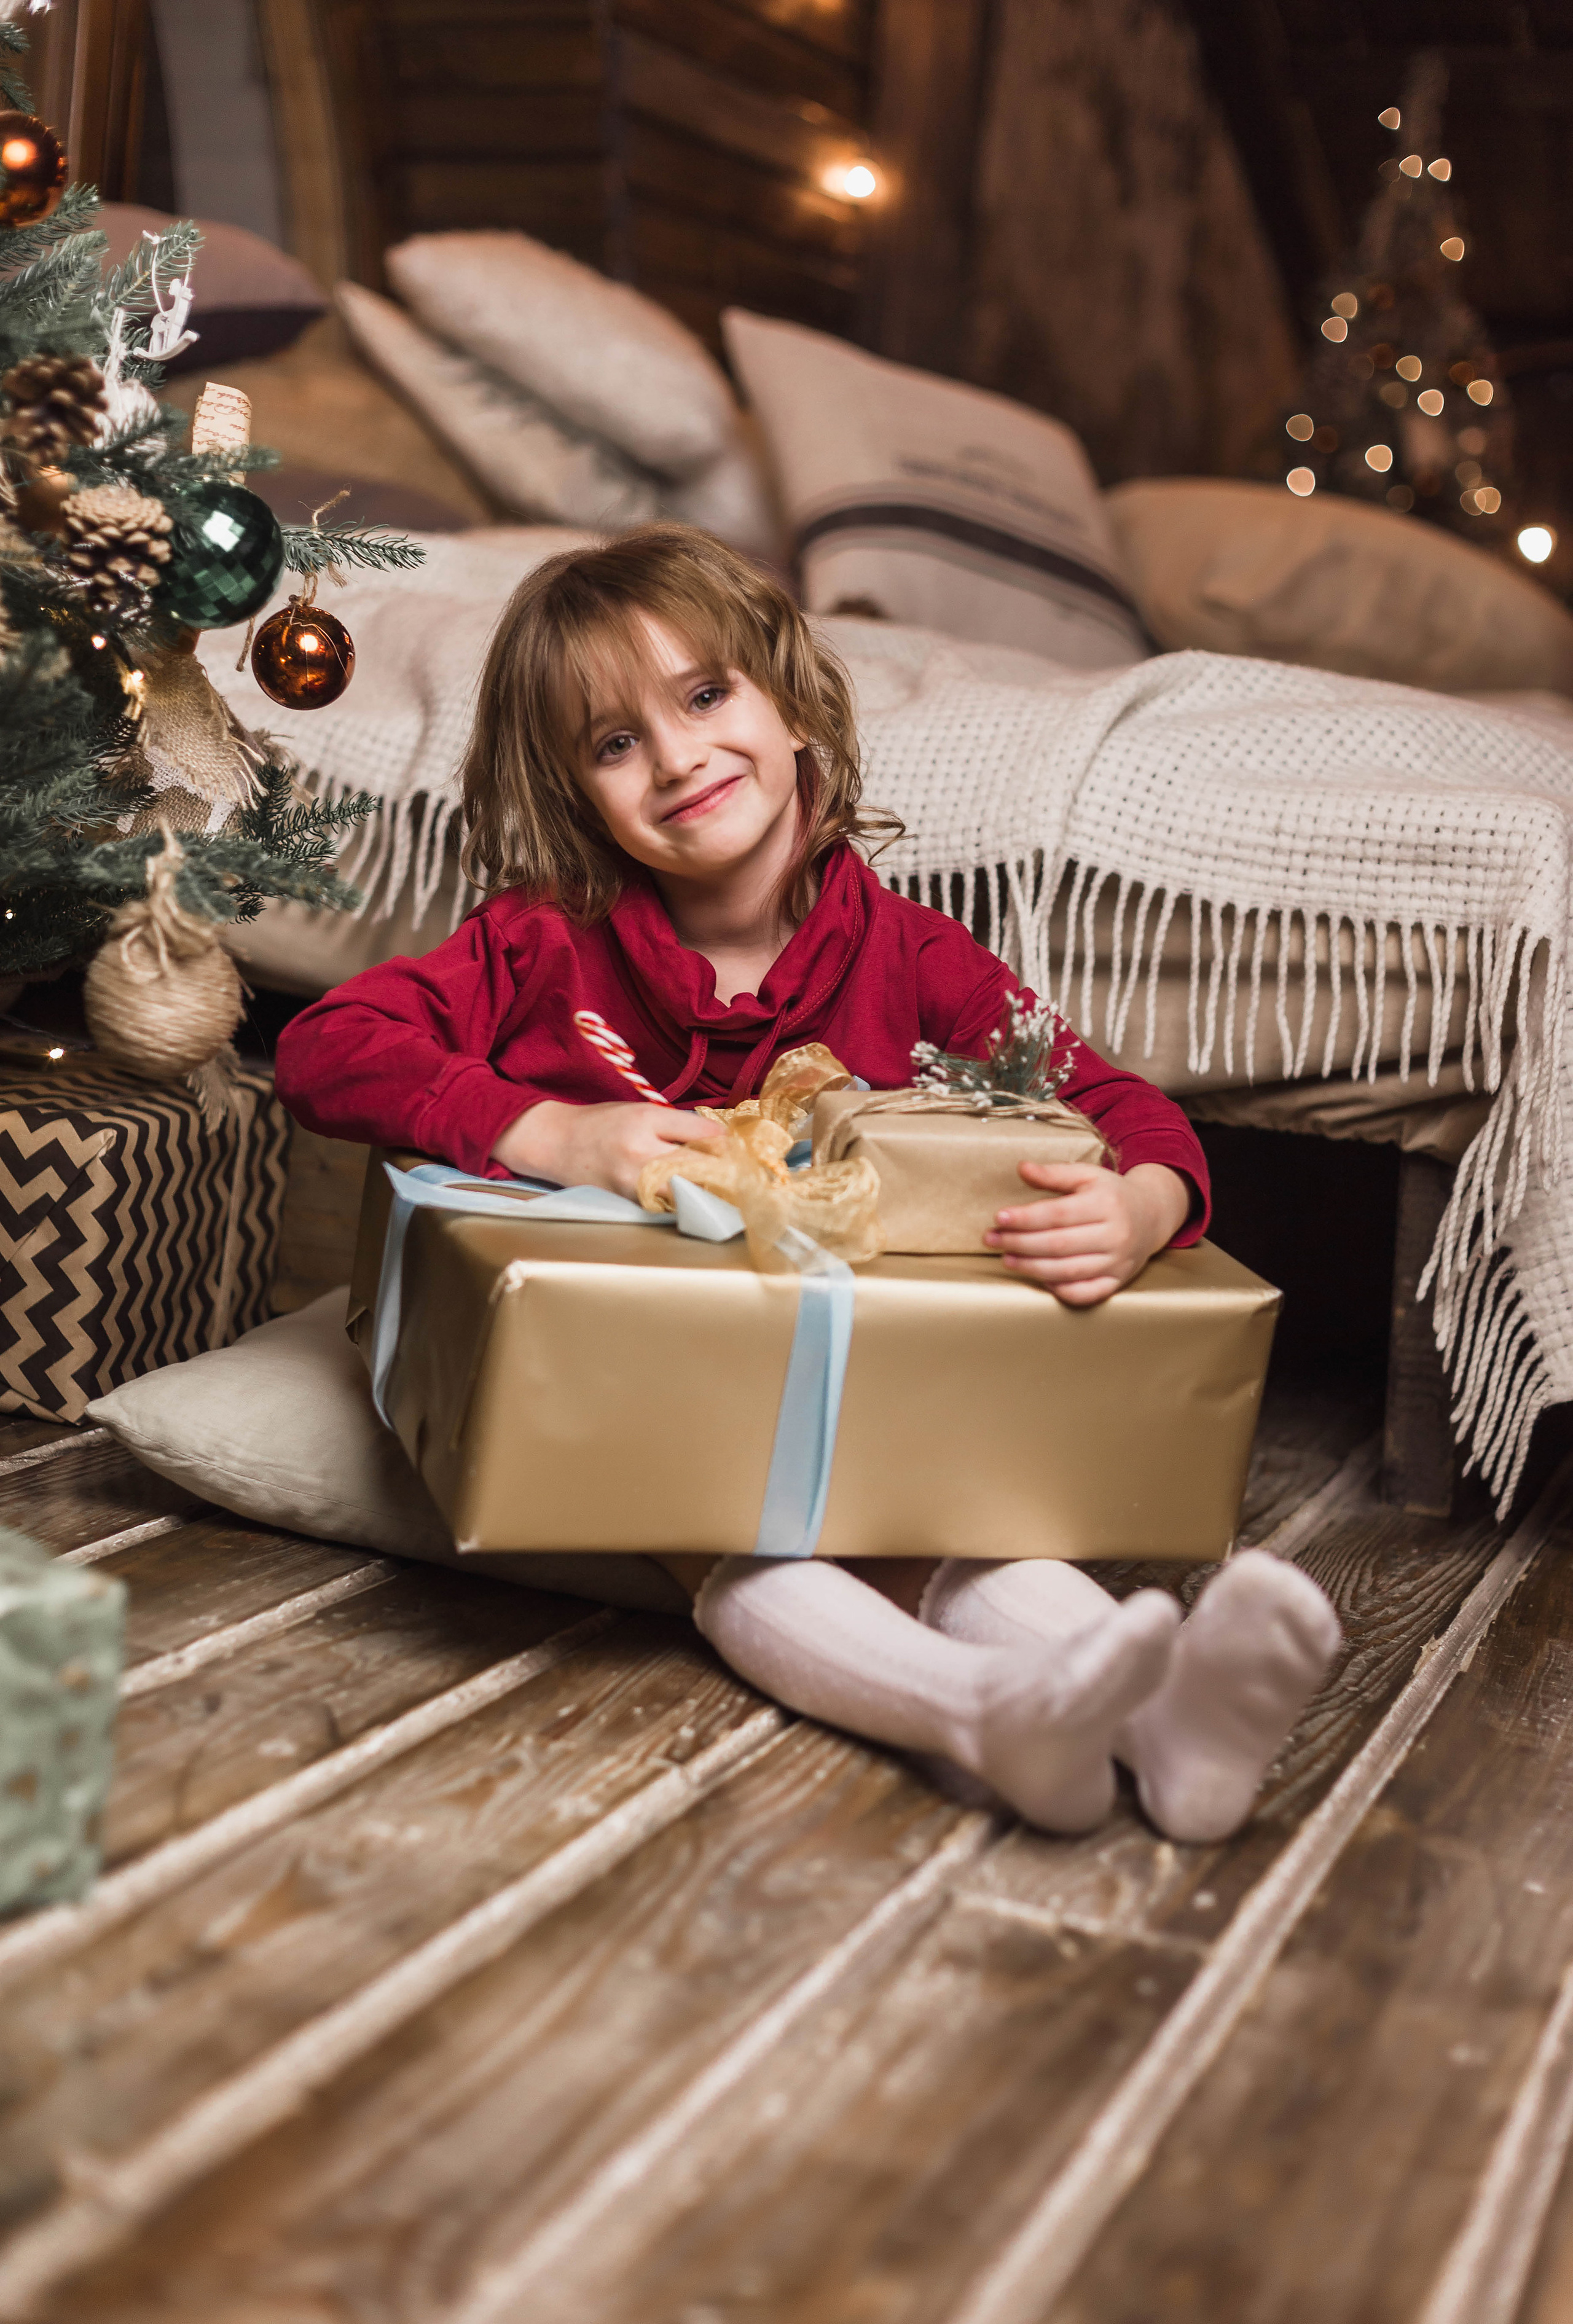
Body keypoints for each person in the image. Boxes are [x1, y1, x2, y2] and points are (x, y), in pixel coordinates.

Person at [276, 523, 1340, 1844]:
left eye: (706, 696)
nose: (675, 760)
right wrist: (546, 1130)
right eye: (613, 745)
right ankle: (980, 1713)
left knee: (957, 1528)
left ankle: (1171, 1723)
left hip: (880, 1404)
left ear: (790, 704)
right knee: (755, 1533)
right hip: (641, 1407)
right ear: (570, 792)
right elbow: (327, 1050)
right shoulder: (544, 944)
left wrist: (1145, 1205)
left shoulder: (911, 958)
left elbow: (1121, 1109)